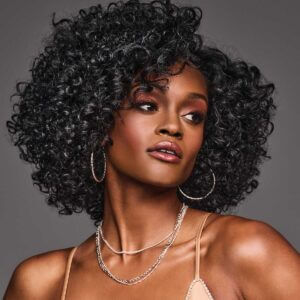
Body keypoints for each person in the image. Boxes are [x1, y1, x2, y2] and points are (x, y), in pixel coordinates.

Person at [4, 0, 300, 299]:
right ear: (95, 118)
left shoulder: (244, 250)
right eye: (147, 105)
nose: (173, 126)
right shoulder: (42, 284)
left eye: (193, 116)